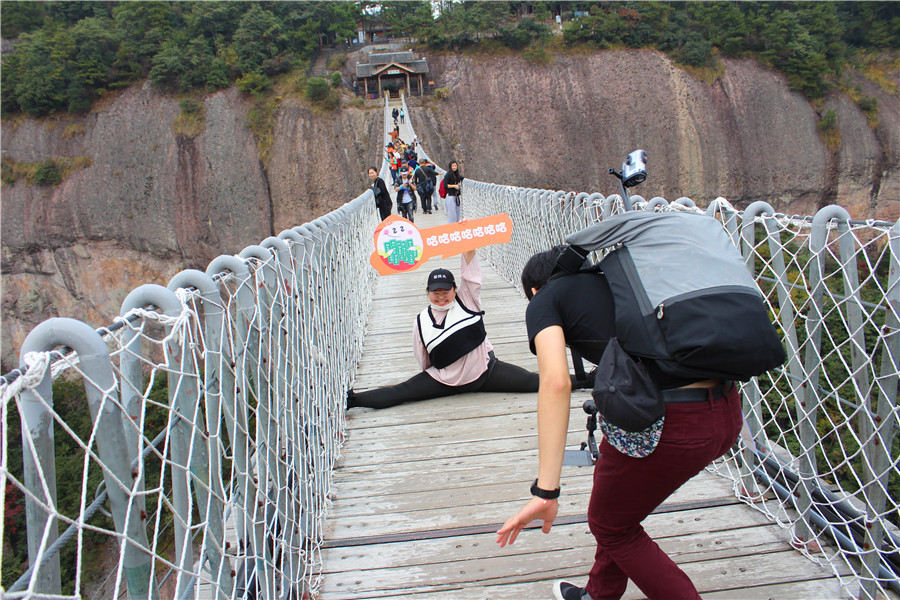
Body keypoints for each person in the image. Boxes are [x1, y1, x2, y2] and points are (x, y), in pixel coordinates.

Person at [496, 246, 743, 600]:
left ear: (534, 290)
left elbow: (555, 382)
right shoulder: (620, 279)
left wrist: (546, 490)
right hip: (726, 410)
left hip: (665, 424)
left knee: (610, 526)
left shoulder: (544, 298)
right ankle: (600, 593)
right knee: (616, 511)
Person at [347, 248, 587, 409]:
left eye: (446, 291)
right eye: (435, 292)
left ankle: (588, 380)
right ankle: (353, 400)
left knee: (537, 381)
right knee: (400, 393)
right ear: (427, 293)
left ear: (454, 289)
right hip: (443, 379)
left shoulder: (466, 300)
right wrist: (435, 377)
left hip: (485, 373)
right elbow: (423, 360)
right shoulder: (420, 321)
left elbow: (471, 276)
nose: (441, 296)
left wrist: (468, 245)